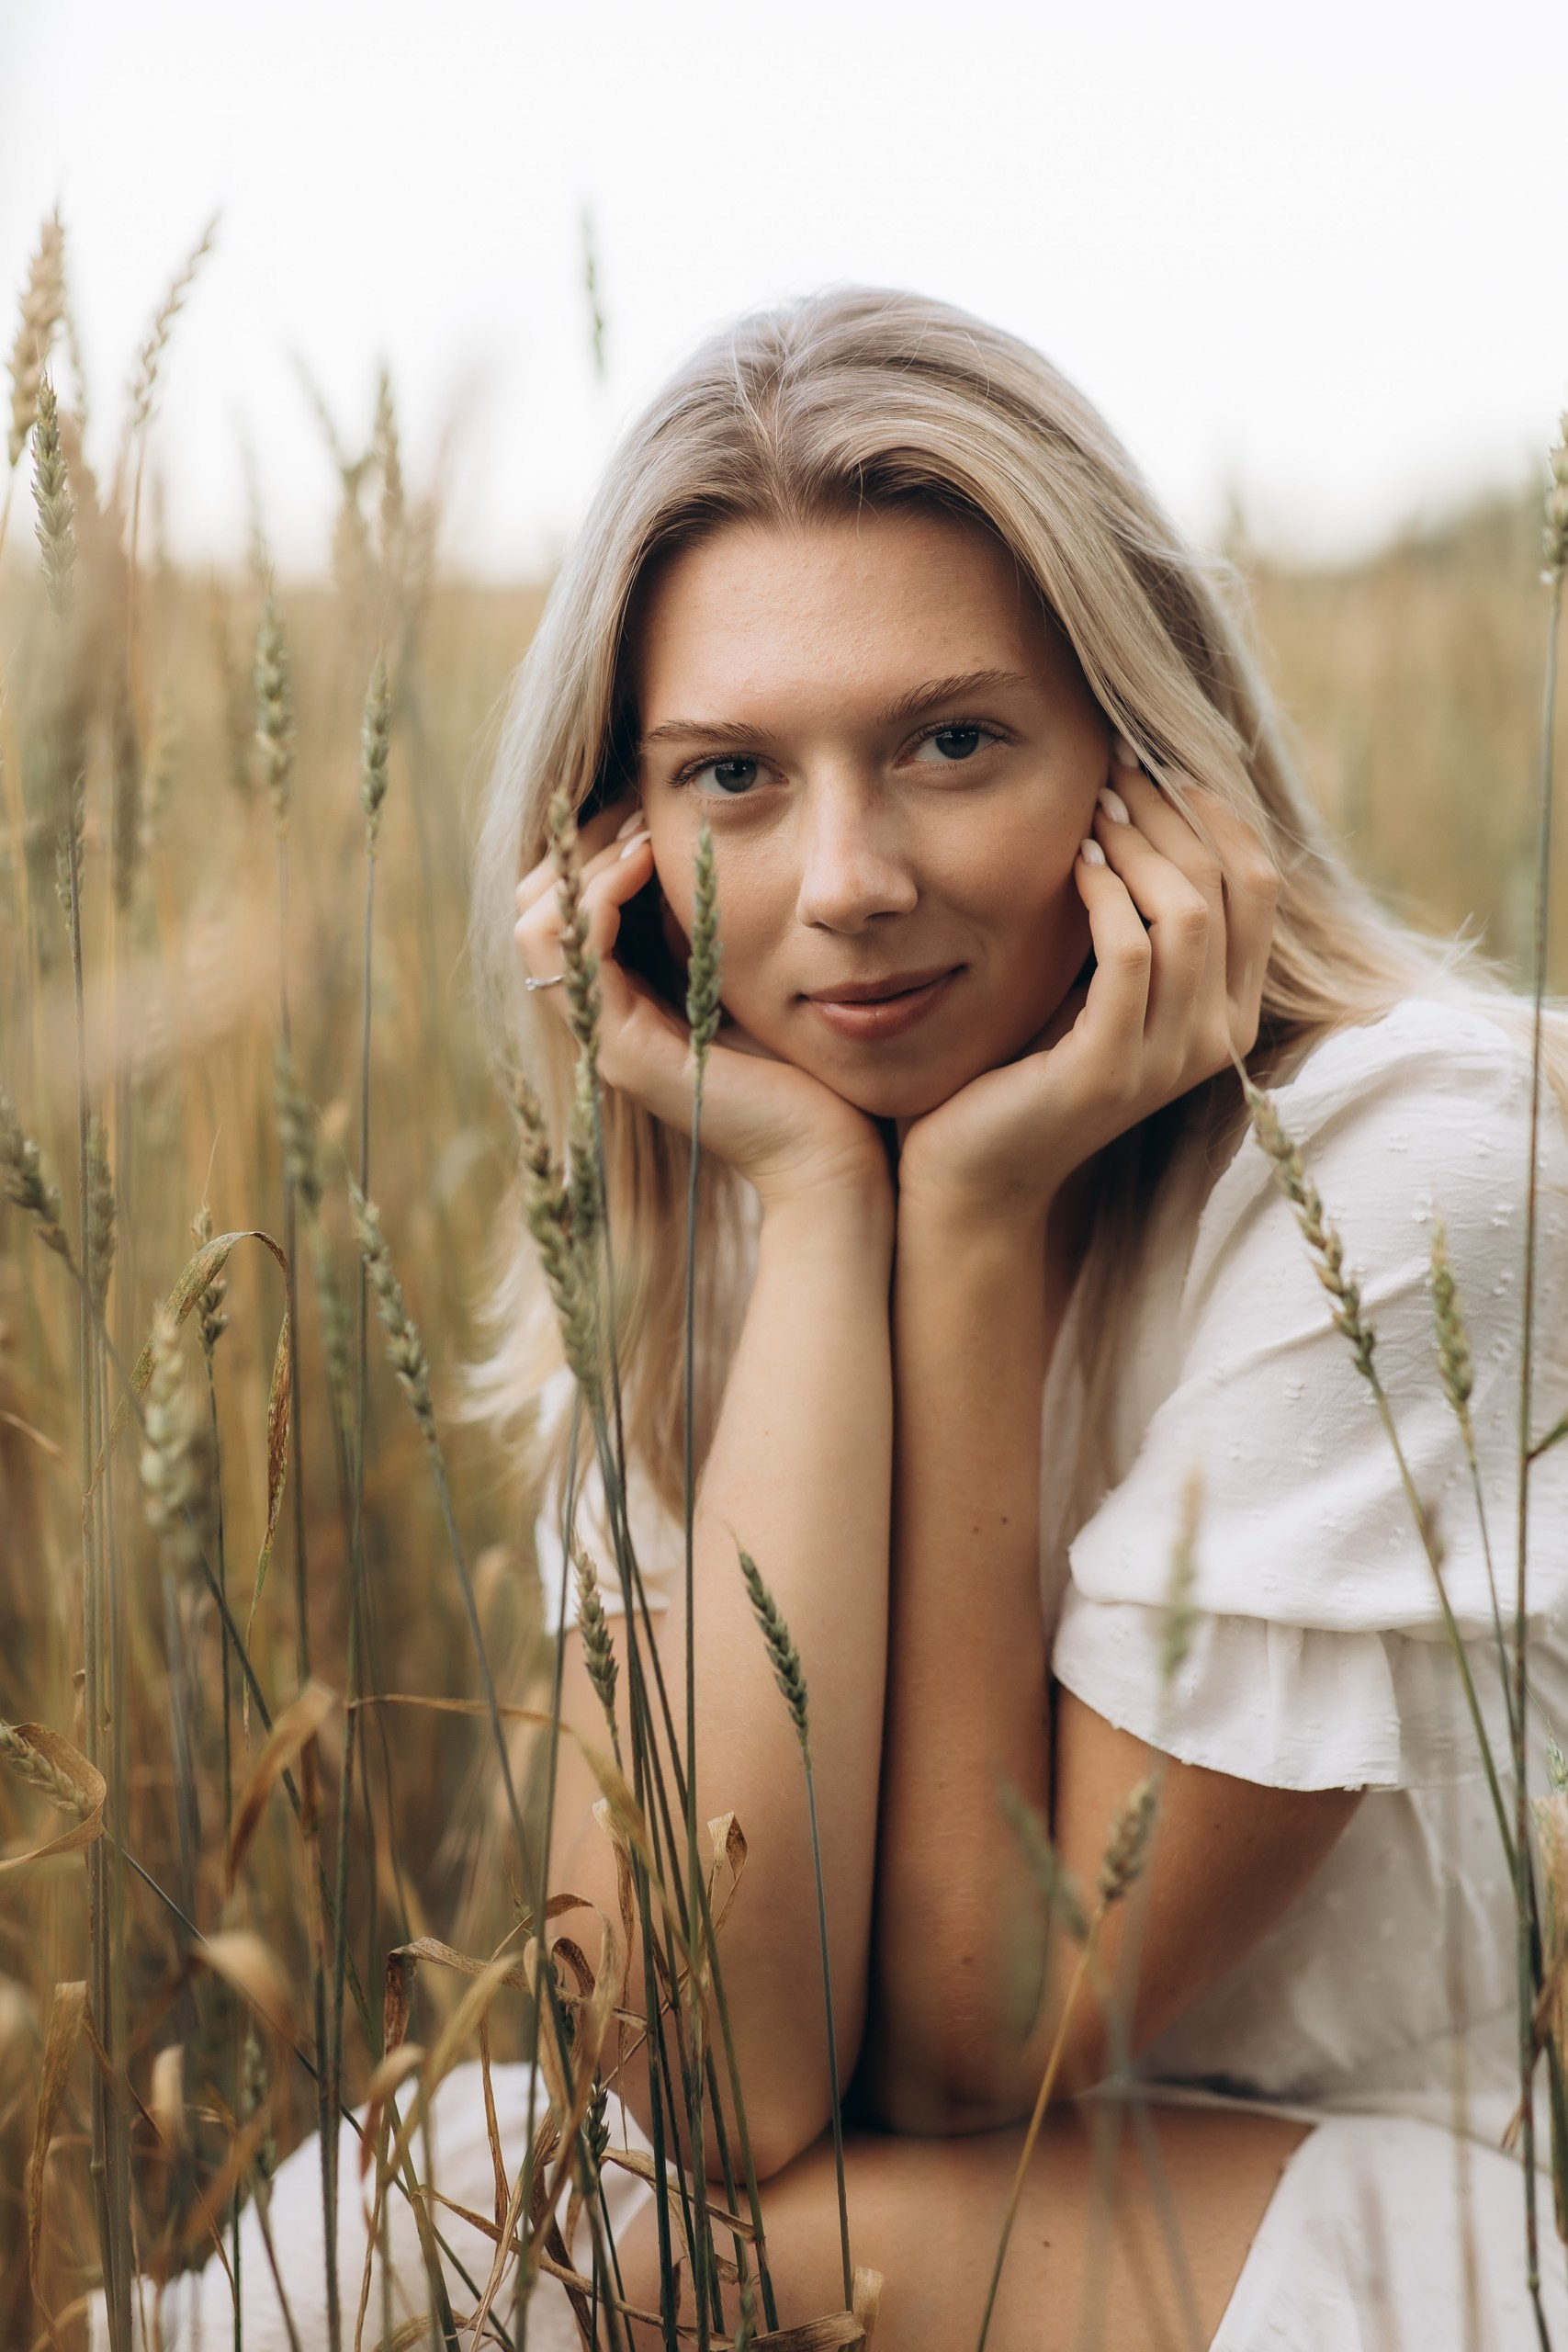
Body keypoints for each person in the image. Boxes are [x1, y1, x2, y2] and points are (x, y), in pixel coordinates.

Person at [155, 288, 1568, 2352]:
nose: (846, 881)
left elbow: (991, 2041)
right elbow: (697, 2066)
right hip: (915, 2219)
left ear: (1144, 765)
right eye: (731, 772)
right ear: (616, 851)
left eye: (950, 741)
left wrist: (977, 1217)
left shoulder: (1423, 1167)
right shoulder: (727, 1167)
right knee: (469, 2193)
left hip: (1395, 2243)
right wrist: (820, 1218)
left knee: (493, 2250)